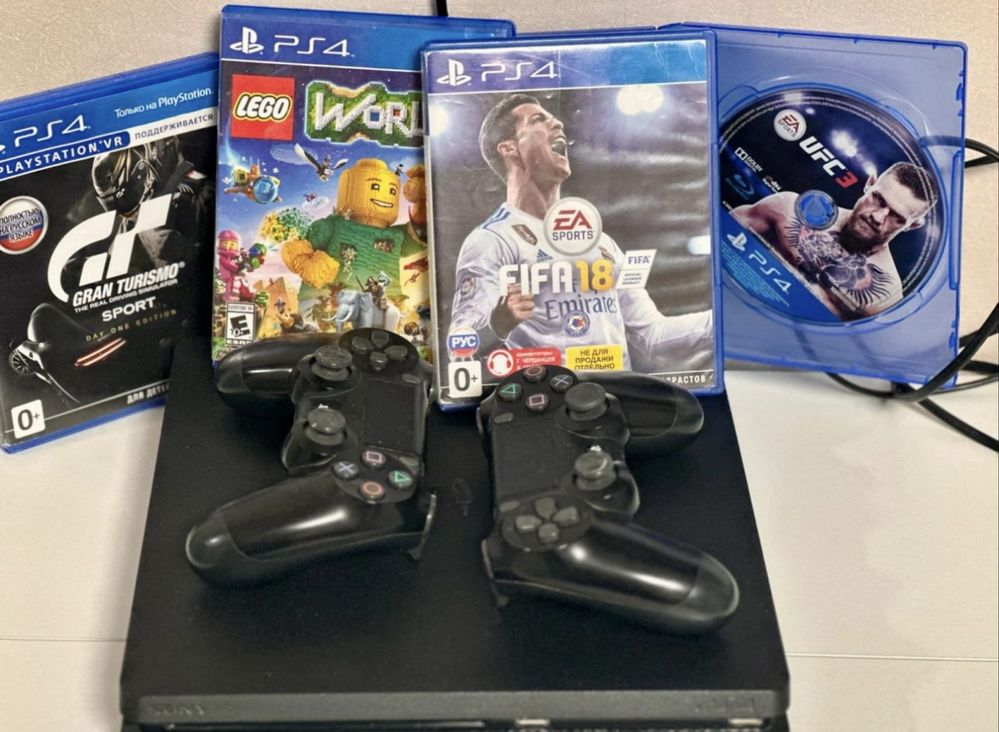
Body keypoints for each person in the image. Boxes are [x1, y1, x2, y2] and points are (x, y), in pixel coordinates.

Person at [448, 94, 712, 372]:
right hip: (548, 394)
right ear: (509, 148)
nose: (558, 123)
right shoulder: (492, 240)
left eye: (553, 118)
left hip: (615, 394)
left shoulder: (601, 242)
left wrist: (719, 320)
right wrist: (496, 326)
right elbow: (460, 347)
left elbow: (653, 335)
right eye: (538, 119)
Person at [730, 161, 938, 318]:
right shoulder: (788, 208)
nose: (877, 217)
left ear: (912, 225)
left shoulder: (886, 298)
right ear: (869, 184)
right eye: (878, 199)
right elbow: (721, 233)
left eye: (896, 216)